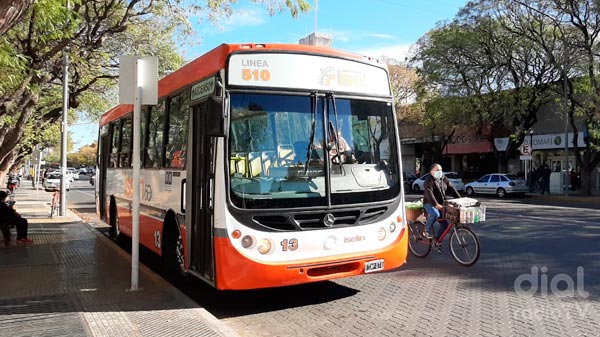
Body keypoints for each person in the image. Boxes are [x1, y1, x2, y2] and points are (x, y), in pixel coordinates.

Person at [422, 163, 461, 239]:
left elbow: (452, 189)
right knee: (435, 214)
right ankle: (426, 230)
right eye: (437, 170)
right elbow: (429, 194)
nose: (439, 172)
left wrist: (460, 199)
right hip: (429, 203)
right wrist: (436, 204)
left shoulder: (444, 179)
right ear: (431, 172)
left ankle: (437, 241)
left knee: (445, 225)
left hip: (441, 203)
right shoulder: (428, 182)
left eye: (440, 170)